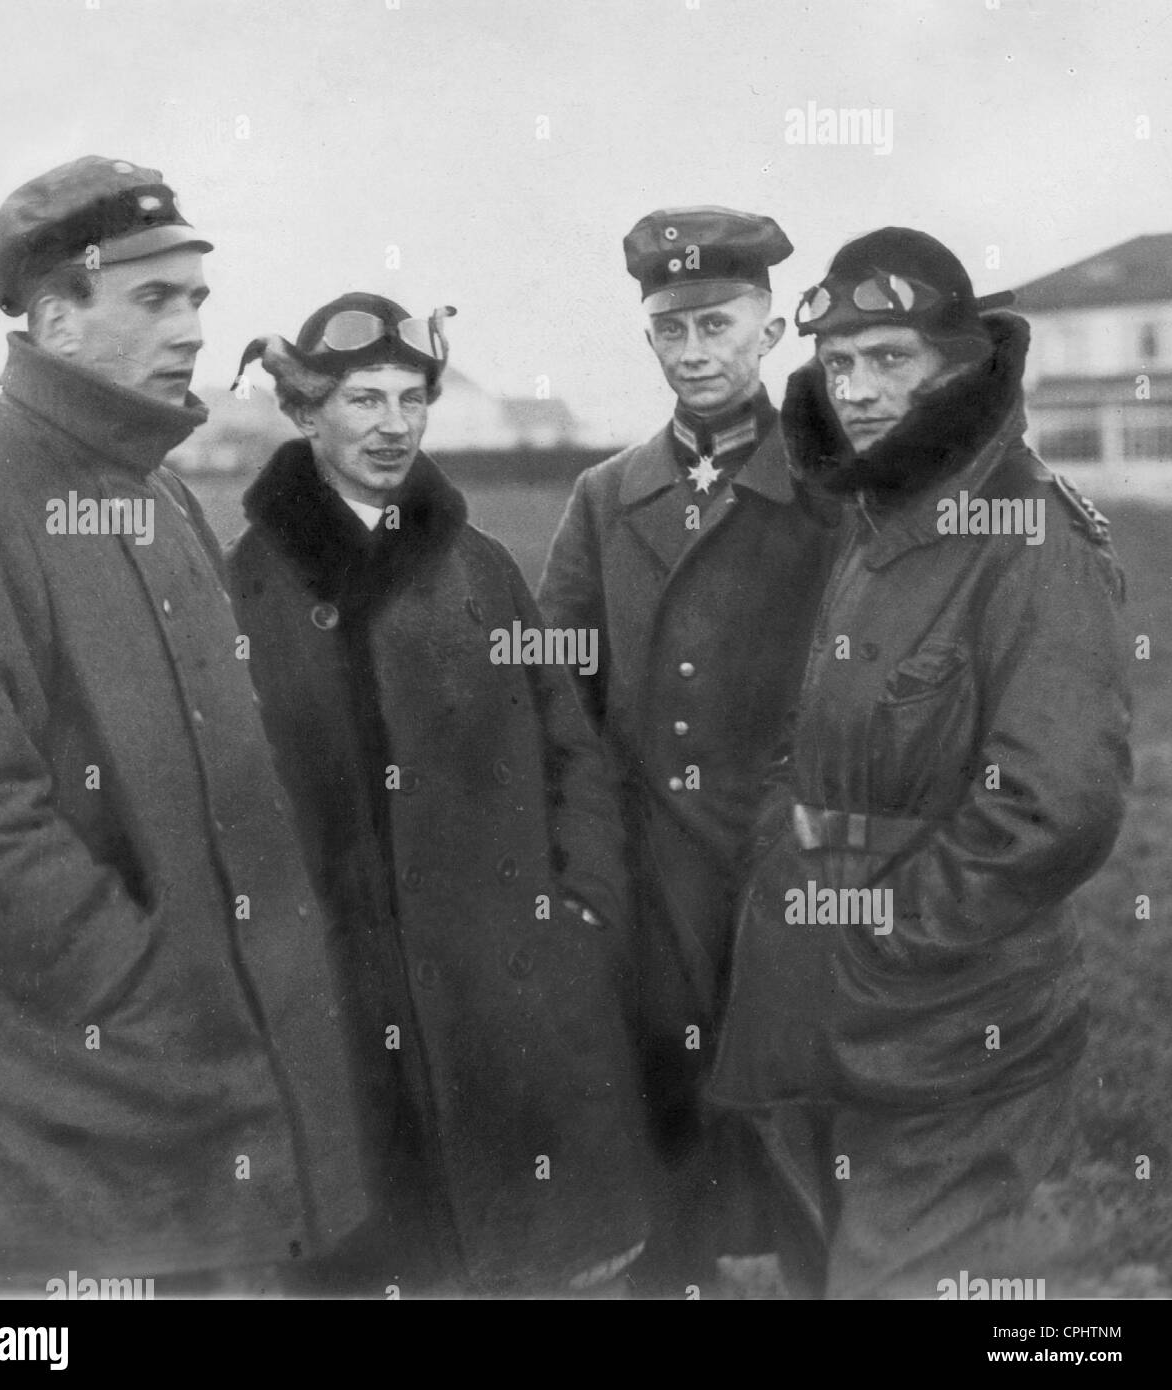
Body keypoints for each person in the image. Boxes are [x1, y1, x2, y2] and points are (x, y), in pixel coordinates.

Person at [0, 157, 367, 1291]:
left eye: (198, 298)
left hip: (215, 1093)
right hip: (74, 1113)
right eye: (153, 300)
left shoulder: (162, 493)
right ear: (56, 317)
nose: (191, 328)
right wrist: (149, 991)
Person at [707, 227, 1132, 1299]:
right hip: (830, 999)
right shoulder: (880, 517)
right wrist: (784, 856)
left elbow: (1056, 806)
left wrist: (890, 938)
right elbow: (813, 739)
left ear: (958, 365)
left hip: (952, 1021)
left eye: (889, 358)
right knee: (832, 1257)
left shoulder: (1028, 537)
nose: (855, 389)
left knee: (895, 1276)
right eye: (839, 362)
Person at [226, 293, 652, 1295]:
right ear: (304, 411)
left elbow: (570, 752)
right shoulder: (245, 588)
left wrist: (583, 913)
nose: (391, 425)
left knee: (545, 1265)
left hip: (515, 998)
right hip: (345, 1025)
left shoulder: (483, 568)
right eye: (360, 398)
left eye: (410, 397)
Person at [536, 206, 837, 1288]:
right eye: (672, 330)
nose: (696, 352)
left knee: (802, 1127)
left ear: (767, 333)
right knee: (661, 1113)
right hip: (647, 869)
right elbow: (558, 687)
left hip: (785, 860)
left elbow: (856, 691)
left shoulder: (829, 497)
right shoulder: (604, 495)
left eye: (718, 325)